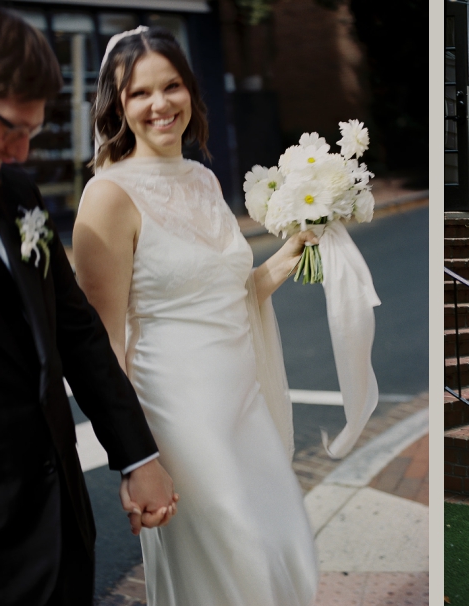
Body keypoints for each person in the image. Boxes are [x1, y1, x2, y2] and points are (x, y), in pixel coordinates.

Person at [72, 26, 319, 605]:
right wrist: (138, 455)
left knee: (284, 552)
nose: (160, 104)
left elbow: (231, 292)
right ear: (117, 104)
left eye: (172, 86)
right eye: (139, 93)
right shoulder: (107, 197)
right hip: (177, 415)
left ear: (191, 92)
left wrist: (291, 254)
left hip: (242, 403)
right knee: (240, 559)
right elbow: (102, 341)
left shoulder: (204, 179)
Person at [0, 4, 178, 605]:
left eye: (33, 133)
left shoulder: (20, 193)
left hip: (61, 524)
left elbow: (78, 332)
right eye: (11, 128)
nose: (20, 150)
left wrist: (137, 455)